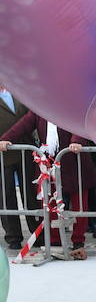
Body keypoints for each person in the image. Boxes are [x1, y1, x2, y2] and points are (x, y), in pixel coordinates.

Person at [0, 111, 96, 259]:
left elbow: (79, 124)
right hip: (51, 165)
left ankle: (78, 243)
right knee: (49, 204)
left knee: (79, 206)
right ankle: (54, 243)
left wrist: (77, 141)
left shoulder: (70, 105)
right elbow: (22, 126)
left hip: (75, 163)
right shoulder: (39, 110)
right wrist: (5, 139)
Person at [0, 83, 39, 249]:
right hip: (3, 154)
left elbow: (31, 117)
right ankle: (13, 237)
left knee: (30, 193)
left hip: (25, 150)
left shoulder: (19, 91)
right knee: (6, 194)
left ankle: (37, 232)